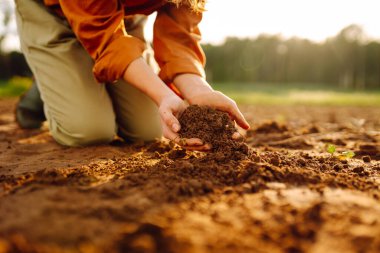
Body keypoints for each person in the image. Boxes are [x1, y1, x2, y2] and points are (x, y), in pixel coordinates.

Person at [14, 0, 250, 150]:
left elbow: (179, 36)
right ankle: (44, 90)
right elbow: (104, 39)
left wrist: (199, 91)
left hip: (122, 19)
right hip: (54, 14)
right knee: (89, 131)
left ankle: (77, 75)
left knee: (148, 130)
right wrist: (160, 93)